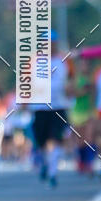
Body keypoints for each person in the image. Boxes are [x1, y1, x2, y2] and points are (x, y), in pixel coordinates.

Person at [30, 33, 74, 186]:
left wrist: (70, 90)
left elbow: (72, 81)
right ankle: (45, 164)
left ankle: (53, 172)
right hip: (40, 106)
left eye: (51, 43)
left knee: (57, 138)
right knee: (42, 140)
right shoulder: (34, 61)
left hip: (59, 105)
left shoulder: (64, 61)